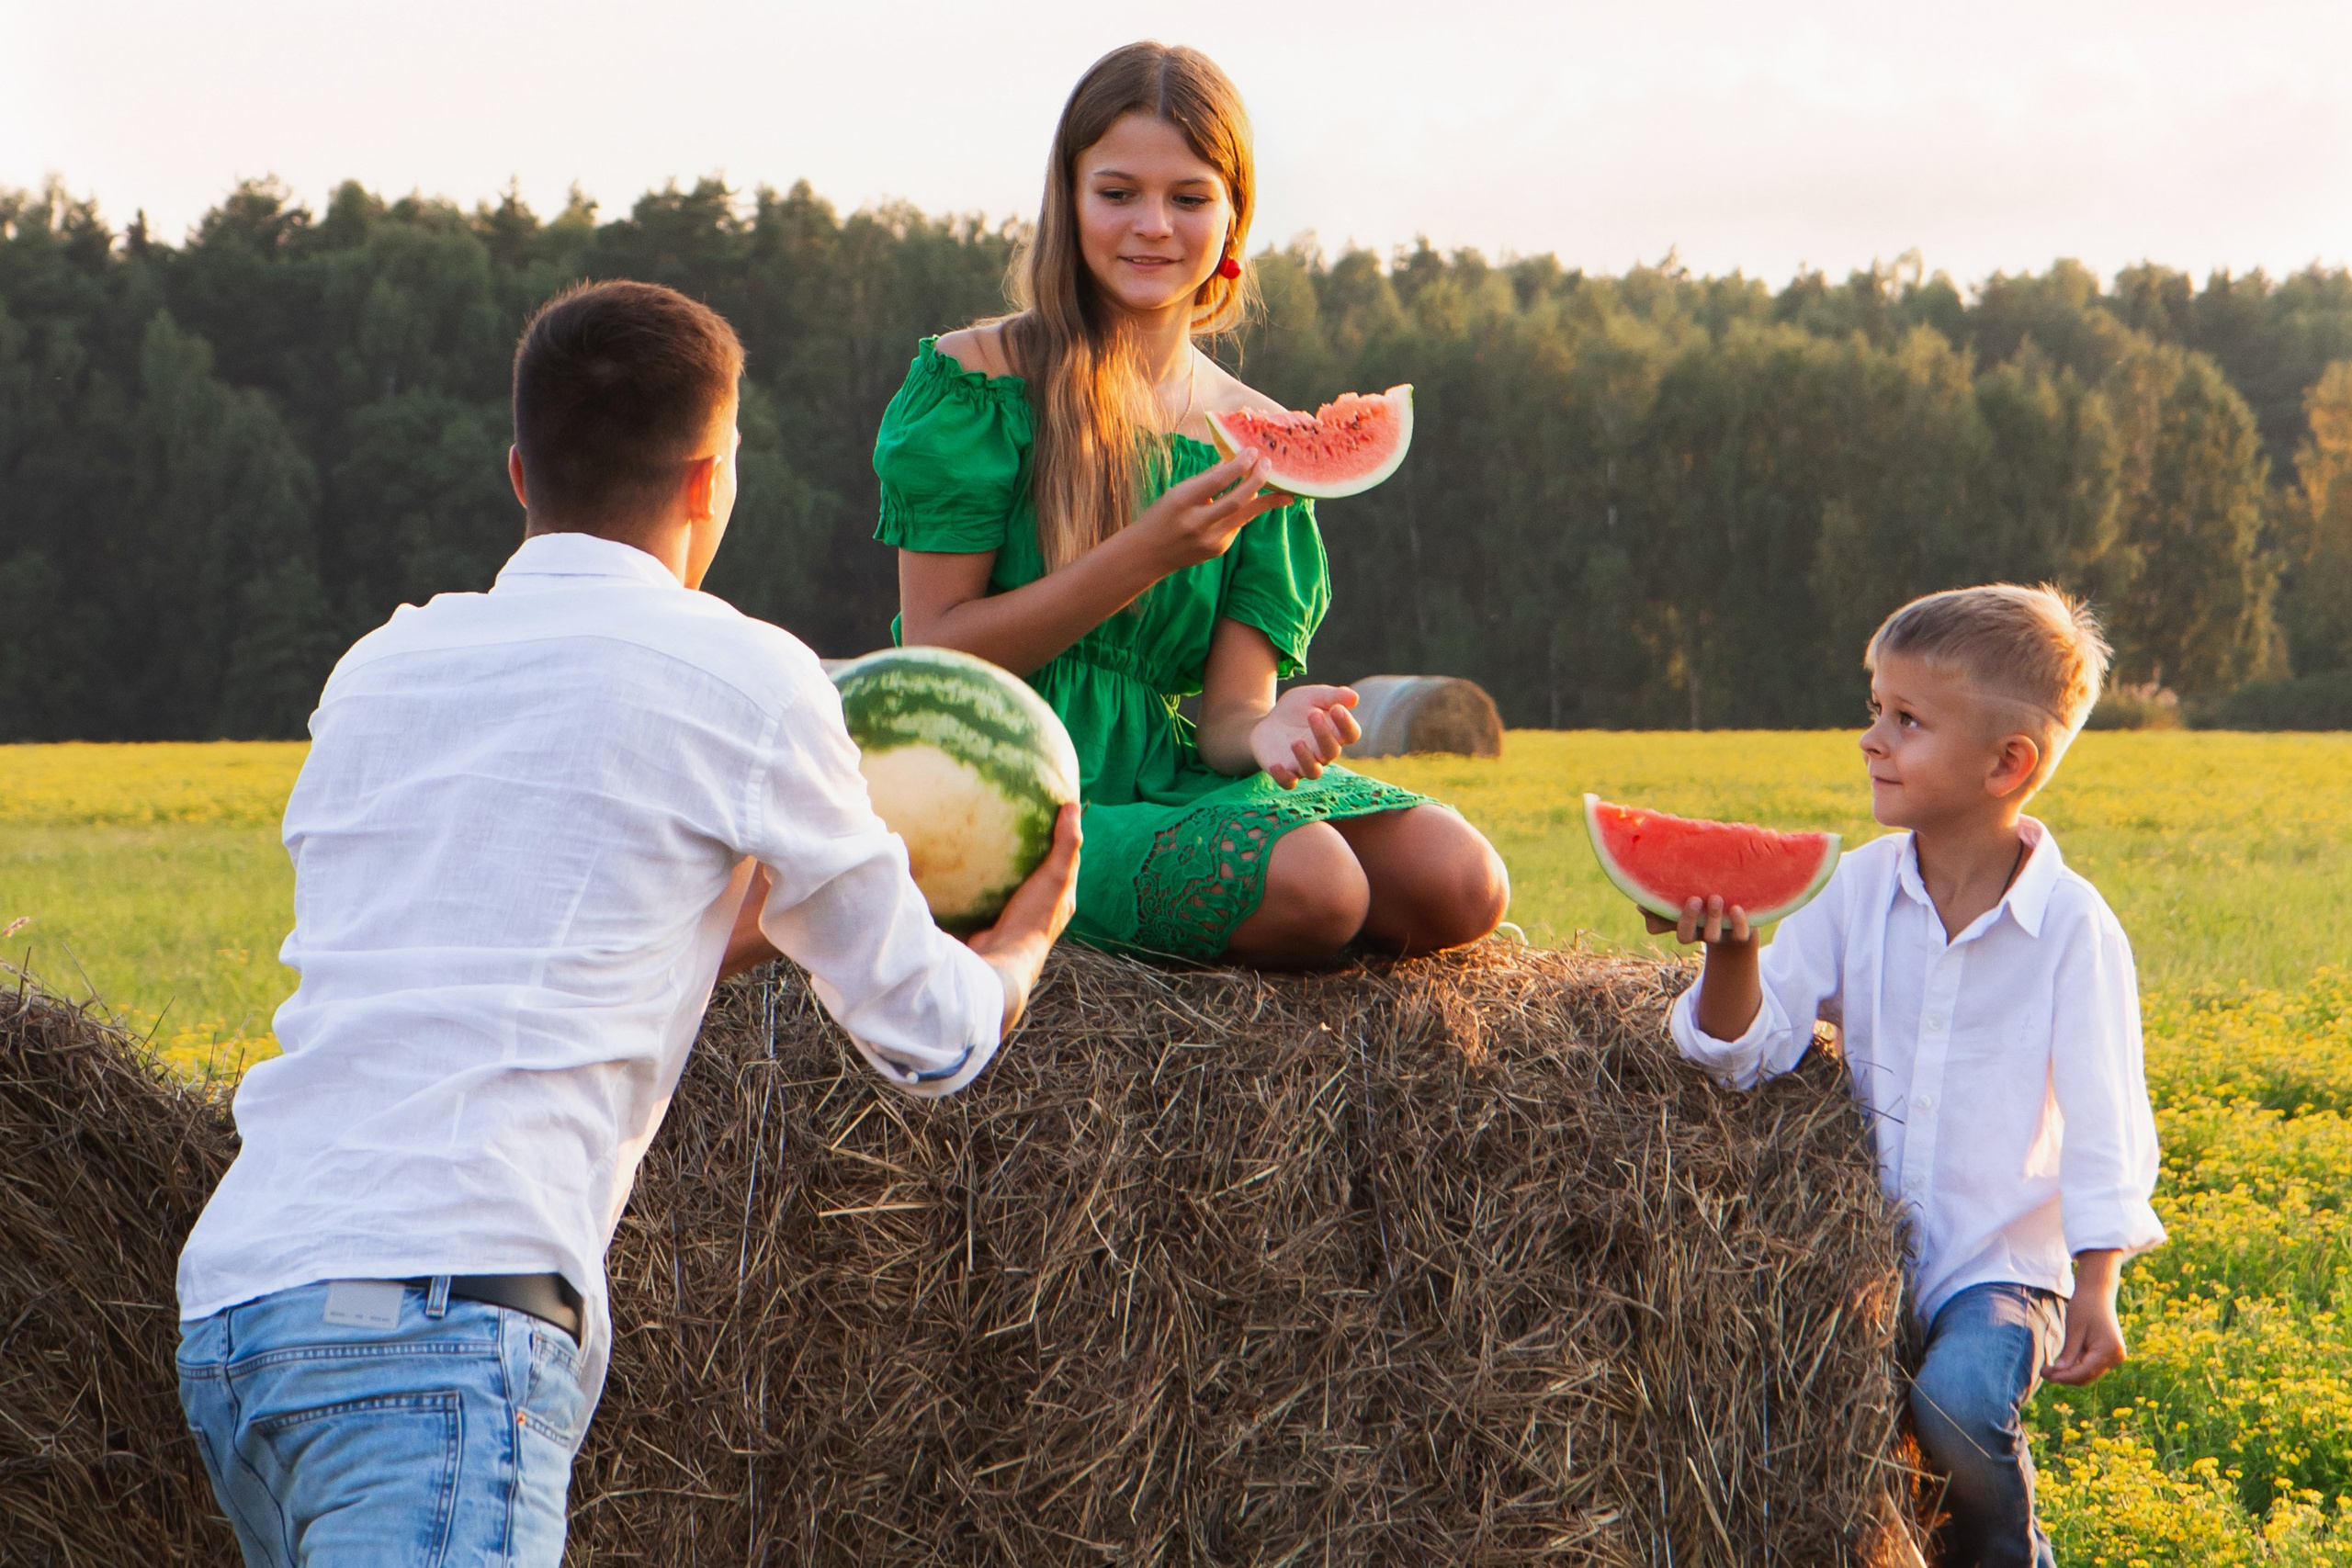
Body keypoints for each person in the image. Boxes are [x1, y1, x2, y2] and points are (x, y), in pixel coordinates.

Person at [172, 279, 1080, 1567]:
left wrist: (727, 926)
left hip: (245, 1313)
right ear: (714, 477)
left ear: (517, 470)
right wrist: (1021, 947)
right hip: (449, 1318)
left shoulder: (382, 665)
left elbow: (488, 930)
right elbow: (927, 1037)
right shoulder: (744, 672)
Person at [875, 40, 1509, 968]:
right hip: (997, 776)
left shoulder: (1257, 435)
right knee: (1317, 888)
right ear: (1069, 200)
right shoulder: (975, 383)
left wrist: (1269, 727)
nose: (1153, 227)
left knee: (1462, 881)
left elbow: (1223, 723)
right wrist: (1144, 553)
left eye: (1189, 197)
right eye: (1118, 191)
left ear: (1232, 217)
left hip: (1167, 776)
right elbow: (936, 654)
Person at [1641, 584, 2165, 1568]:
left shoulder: (2073, 928)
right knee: (1793, 1419)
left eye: (1906, 720)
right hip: (1867, 1256)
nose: (1870, 739)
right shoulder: (1856, 891)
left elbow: (2107, 1116)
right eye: (1873, 709)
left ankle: (2015, 1559)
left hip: (2000, 1267)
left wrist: (2098, 1280)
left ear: (2008, 763)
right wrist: (1732, 954)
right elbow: (1747, 1053)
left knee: (1958, 1406)